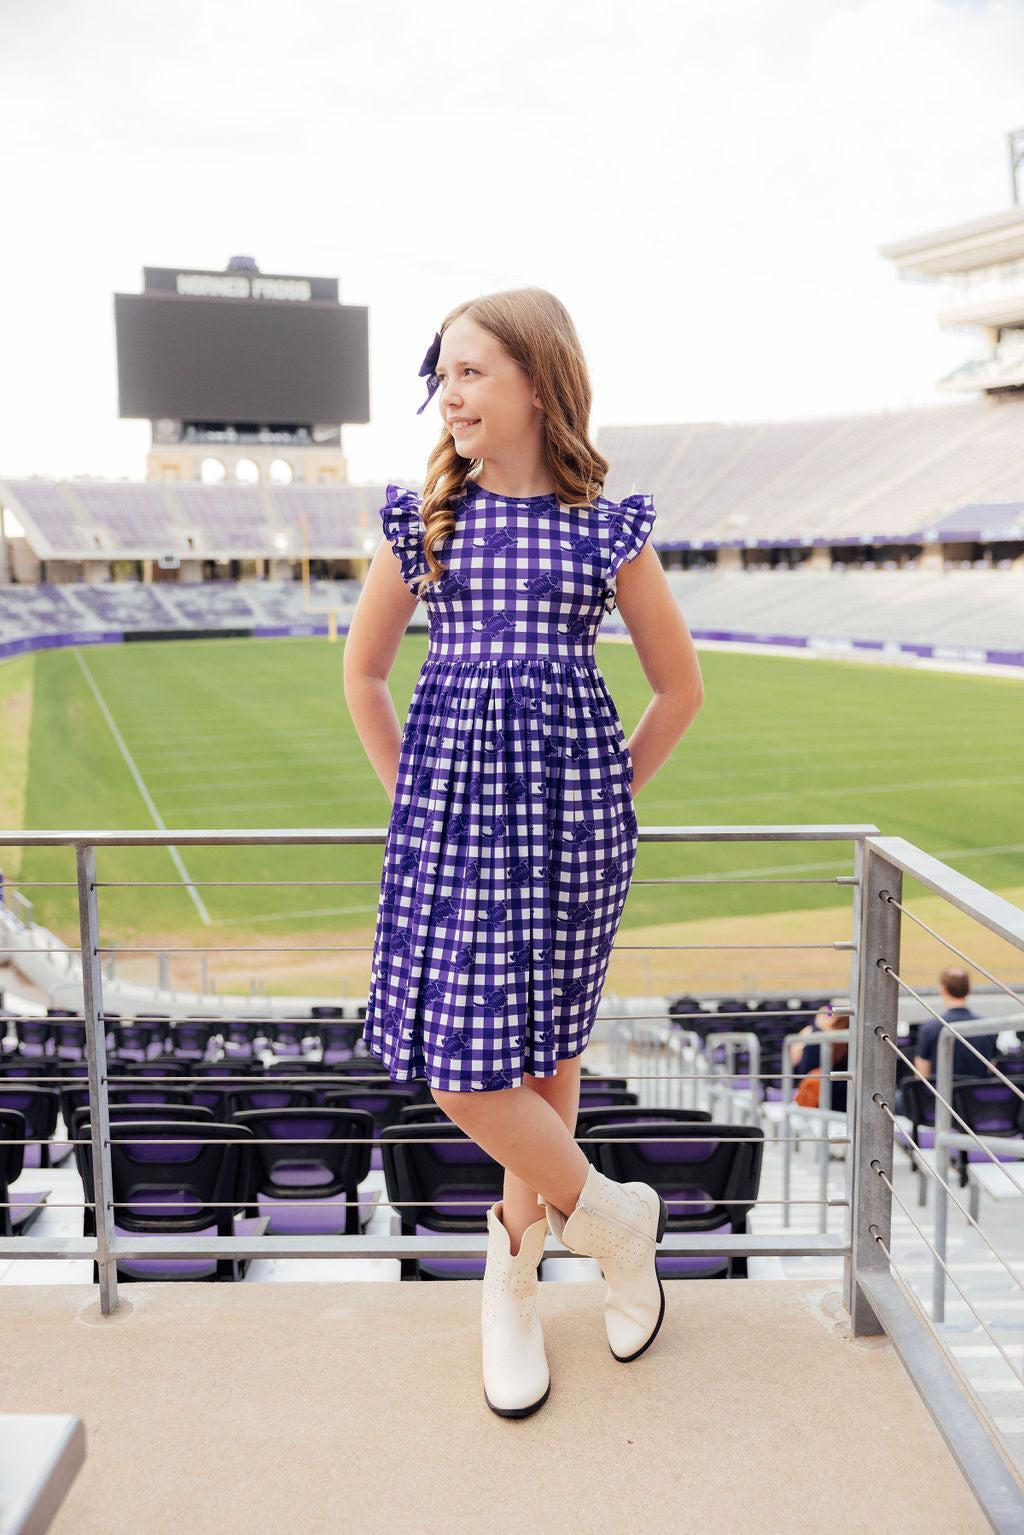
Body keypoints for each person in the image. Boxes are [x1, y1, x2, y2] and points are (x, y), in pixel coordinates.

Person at [344, 289, 705, 1418]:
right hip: (451, 832)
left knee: (548, 1053)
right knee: (464, 1066)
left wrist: (605, 797)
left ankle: (513, 1286)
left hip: (573, 835)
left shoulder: (604, 528)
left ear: (537, 384)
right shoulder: (426, 521)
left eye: (470, 372)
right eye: (443, 376)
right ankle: (617, 1223)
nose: (447, 396)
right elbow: (363, 674)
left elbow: (678, 689)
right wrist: (415, 798)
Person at [913, 966, 998, 1085]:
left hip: (941, 1095)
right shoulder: (988, 1028)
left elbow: (922, 1076)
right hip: (975, 1096)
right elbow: (991, 1067)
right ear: (969, 989)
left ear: (943, 989)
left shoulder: (928, 1029)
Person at [789, 1005, 850, 1114]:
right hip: (836, 1096)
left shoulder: (811, 1033)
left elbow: (793, 1061)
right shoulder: (848, 1037)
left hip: (822, 1095)